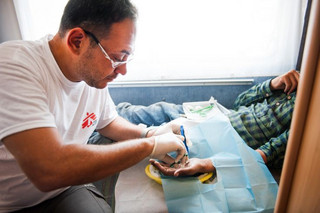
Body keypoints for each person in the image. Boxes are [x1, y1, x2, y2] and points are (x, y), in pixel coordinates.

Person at [0, 0, 188, 212]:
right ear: (77, 40)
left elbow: (108, 122)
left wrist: (149, 133)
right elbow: (48, 170)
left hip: (65, 188)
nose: (123, 70)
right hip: (11, 204)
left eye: (127, 58)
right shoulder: (13, 66)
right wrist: (150, 146)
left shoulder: (91, 76)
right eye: (117, 58)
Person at [117, 70, 300, 176]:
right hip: (217, 116)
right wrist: (271, 85)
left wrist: (206, 164)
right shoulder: (297, 83)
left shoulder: (309, 120)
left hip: (222, 139)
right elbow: (239, 103)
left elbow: (266, 153)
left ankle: (96, 136)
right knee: (151, 110)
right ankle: (104, 114)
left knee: (127, 137)